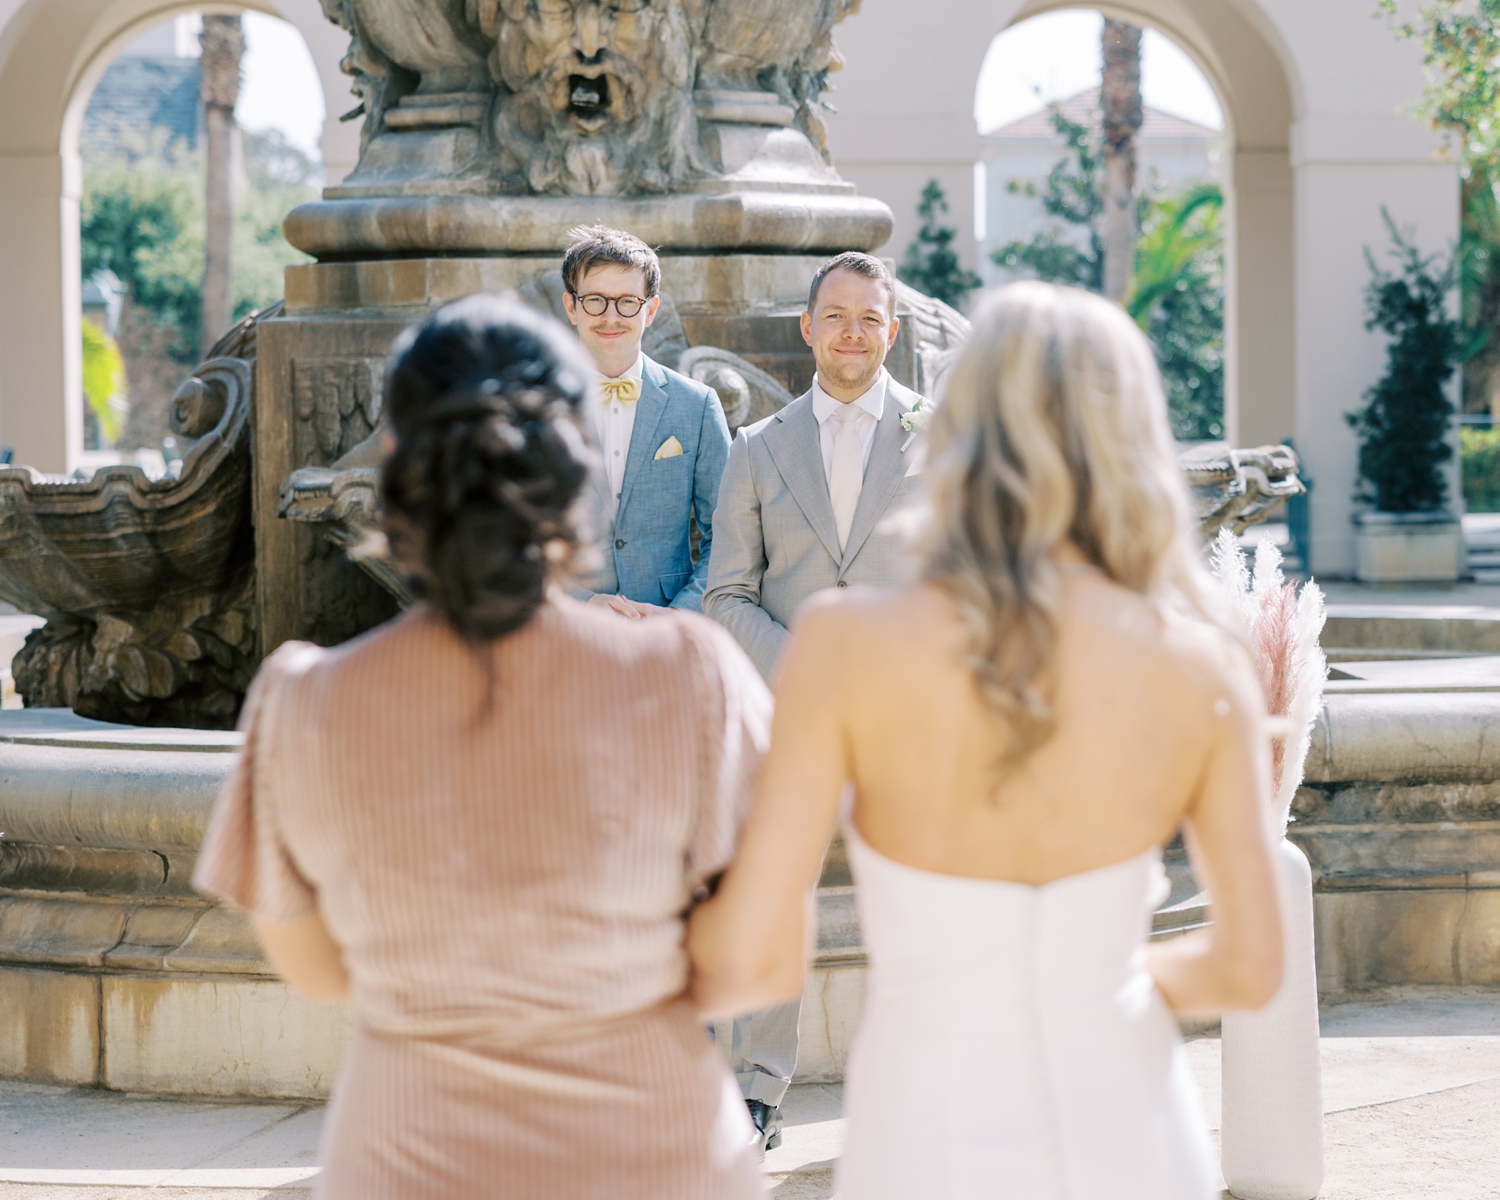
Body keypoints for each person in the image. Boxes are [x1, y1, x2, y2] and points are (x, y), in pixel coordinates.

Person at [690, 282, 1287, 1199]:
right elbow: (1250, 968)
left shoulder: (843, 646)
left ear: (958, 425)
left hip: (922, 1129)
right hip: (1130, 1129)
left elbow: (754, 957)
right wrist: (1089, 988)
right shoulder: (1202, 670)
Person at [193, 294, 770, 1200]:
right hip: (652, 1154)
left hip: (410, 1156)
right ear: (577, 467)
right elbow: (758, 966)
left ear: (396, 464)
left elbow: (311, 967)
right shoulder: (694, 677)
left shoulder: (300, 703)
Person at [702, 251, 928, 1150]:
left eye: (870, 318)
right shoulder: (756, 449)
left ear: (892, 332)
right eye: (836, 316)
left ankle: (920, 1087)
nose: (852, 333)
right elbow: (725, 595)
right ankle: (756, 1096)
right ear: (808, 327)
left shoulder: (941, 438)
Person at [561, 225, 731, 617]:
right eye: (595, 301)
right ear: (571, 307)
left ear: (650, 310)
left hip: (667, 629)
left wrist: (681, 613)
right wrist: (579, 603)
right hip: (566, 632)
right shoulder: (536, 406)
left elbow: (727, 535)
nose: (611, 316)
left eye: (627, 302)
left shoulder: (697, 405)